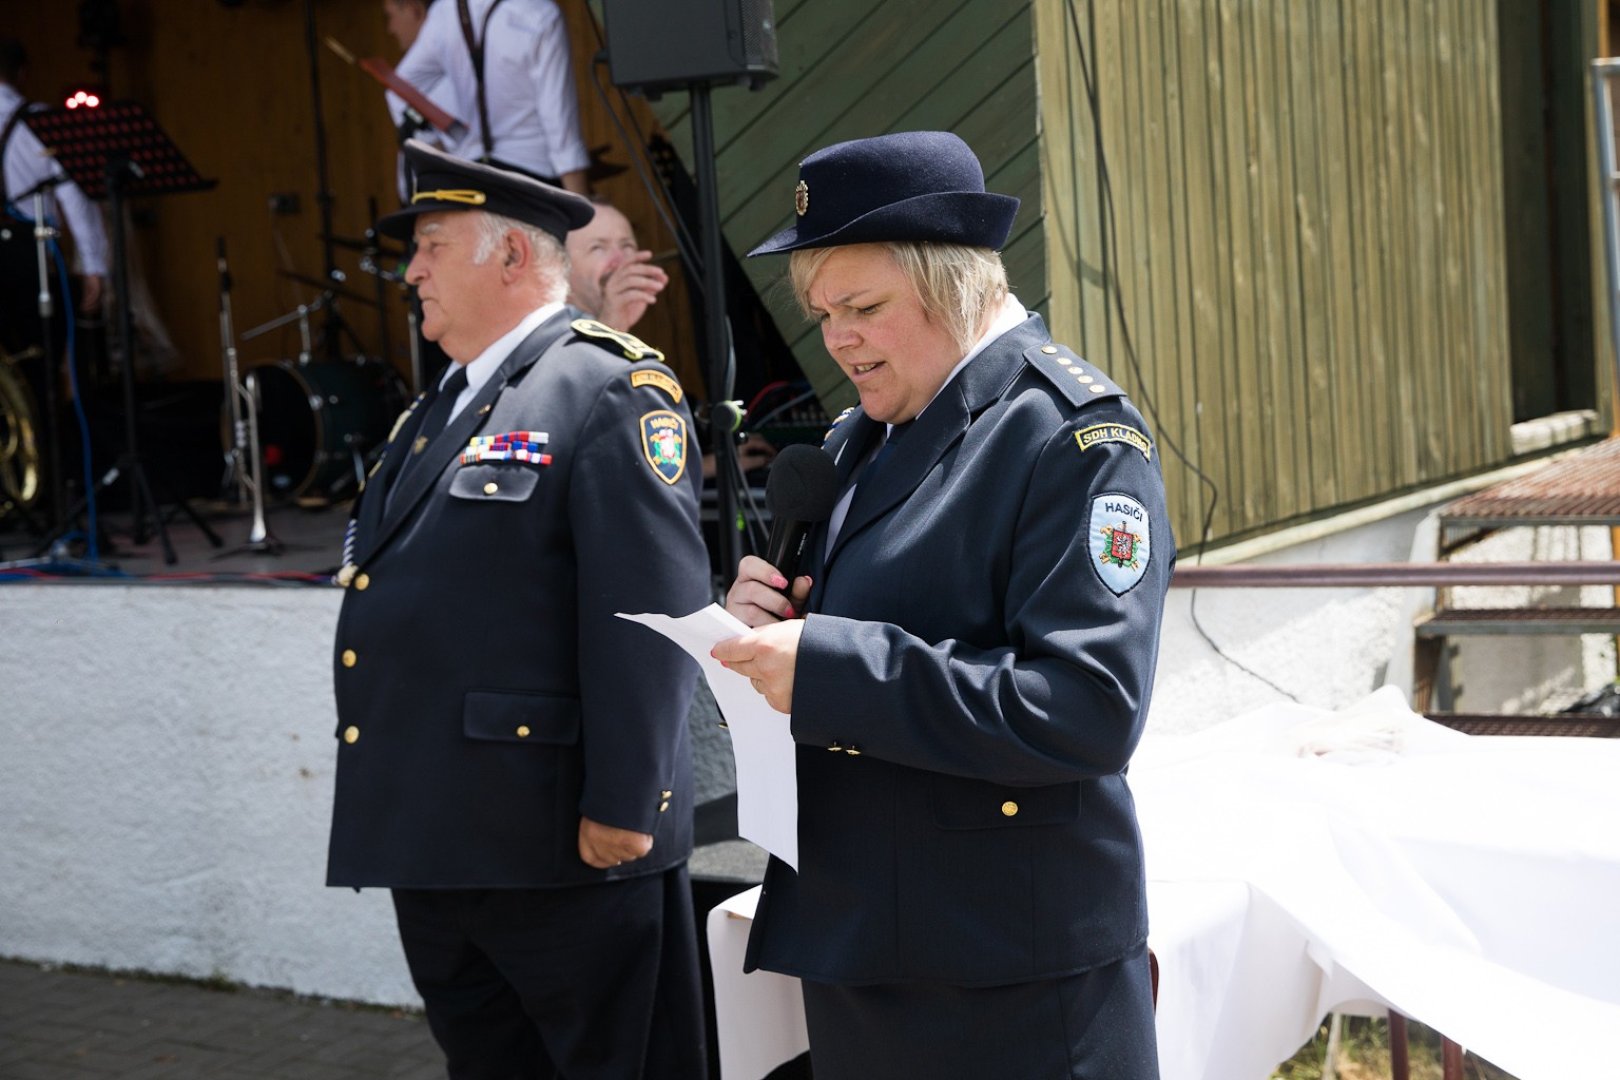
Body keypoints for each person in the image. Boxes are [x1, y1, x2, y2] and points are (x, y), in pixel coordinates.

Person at [711, 131, 1174, 1079]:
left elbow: (1088, 710)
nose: (836, 339)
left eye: (863, 307)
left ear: (956, 283)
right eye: (823, 313)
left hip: (1007, 978)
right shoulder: (858, 439)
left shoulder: (1069, 438)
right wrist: (769, 628)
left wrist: (829, 667)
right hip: (867, 945)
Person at [326, 140, 710, 1080]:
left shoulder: (607, 388)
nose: (411, 271)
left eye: (431, 246)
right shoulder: (436, 408)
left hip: (564, 843)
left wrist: (627, 805)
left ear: (509, 256)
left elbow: (651, 612)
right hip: (442, 842)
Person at [563, 197, 774, 479]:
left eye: (627, 245)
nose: (620, 260)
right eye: (598, 248)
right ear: (561, 267)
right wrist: (612, 325)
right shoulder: (552, 336)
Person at [396, 0, 590, 194]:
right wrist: (580, 201)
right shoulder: (540, 14)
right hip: (536, 177)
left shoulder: (445, 11)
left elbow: (399, 87)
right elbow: (561, 128)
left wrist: (437, 150)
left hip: (474, 177)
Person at [0, 37, 108, 354]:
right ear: (23, 73)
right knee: (39, 349)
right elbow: (75, 197)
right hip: (29, 251)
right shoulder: (42, 121)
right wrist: (93, 264)